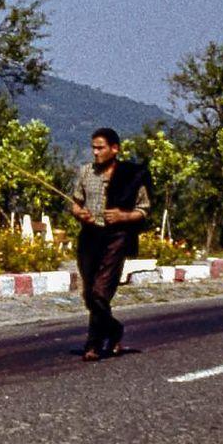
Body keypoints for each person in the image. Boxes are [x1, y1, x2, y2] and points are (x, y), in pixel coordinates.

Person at [68, 128, 152, 361]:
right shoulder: (86, 172)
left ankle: (92, 344)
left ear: (114, 149)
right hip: (89, 237)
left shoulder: (131, 175)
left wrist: (123, 216)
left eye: (100, 148)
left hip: (116, 238)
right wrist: (79, 213)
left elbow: (144, 210)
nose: (95, 152)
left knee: (100, 292)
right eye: (93, 147)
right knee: (88, 293)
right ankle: (114, 330)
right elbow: (75, 203)